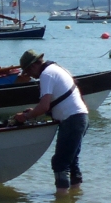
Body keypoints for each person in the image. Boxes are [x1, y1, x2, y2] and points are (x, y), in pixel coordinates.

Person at [14, 49, 88, 193]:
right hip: (81, 117)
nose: (31, 76)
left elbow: (44, 106)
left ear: (33, 66)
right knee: (71, 160)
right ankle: (74, 200)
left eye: (28, 73)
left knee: (60, 163)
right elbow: (55, 102)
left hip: (72, 120)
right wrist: (34, 111)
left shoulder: (46, 75)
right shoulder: (57, 68)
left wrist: (26, 116)